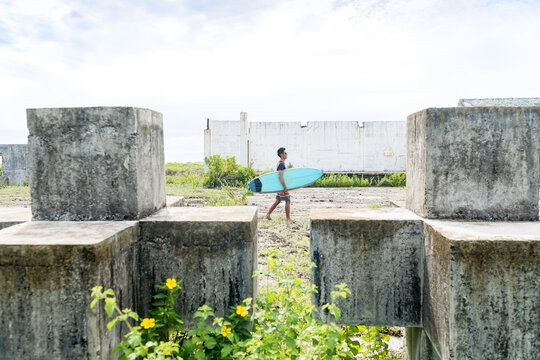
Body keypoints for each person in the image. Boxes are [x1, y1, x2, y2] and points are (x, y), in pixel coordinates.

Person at [265, 147, 292, 221]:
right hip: (281, 186)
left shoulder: (281, 163)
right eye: (285, 153)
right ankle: (288, 218)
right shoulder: (281, 164)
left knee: (278, 201)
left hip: (280, 185)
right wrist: (284, 186)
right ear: (281, 154)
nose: (286, 154)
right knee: (287, 200)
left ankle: (268, 214)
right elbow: (280, 177)